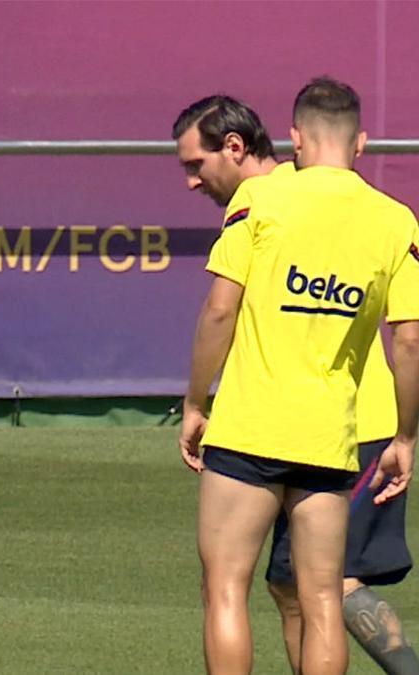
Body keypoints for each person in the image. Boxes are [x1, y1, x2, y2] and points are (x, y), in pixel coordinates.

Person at [179, 77, 419, 675]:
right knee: (319, 599)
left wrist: (193, 401)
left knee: (226, 589)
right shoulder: (396, 220)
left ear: (294, 138)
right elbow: (410, 338)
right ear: (360, 143)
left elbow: (218, 309)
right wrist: (406, 436)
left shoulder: (260, 203)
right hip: (332, 437)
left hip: (251, 427)